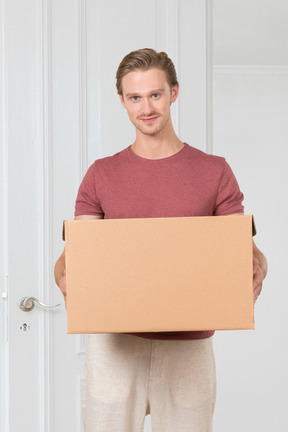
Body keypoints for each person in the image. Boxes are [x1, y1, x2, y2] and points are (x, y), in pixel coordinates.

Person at [54, 48, 267, 432]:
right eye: (135, 97)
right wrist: (65, 275)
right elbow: (75, 254)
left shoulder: (214, 171)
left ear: (174, 93)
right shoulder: (101, 174)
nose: (146, 107)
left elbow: (241, 247)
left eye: (155, 94)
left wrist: (257, 265)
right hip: (115, 346)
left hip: (188, 346)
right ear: (122, 101)